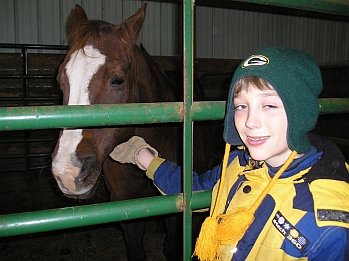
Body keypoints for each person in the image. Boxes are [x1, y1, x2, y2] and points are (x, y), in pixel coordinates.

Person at [110, 46, 349, 261]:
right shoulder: (240, 164)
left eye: (269, 105)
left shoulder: (323, 223)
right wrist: (142, 155)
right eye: (241, 106)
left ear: (301, 112)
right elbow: (193, 188)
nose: (250, 122)